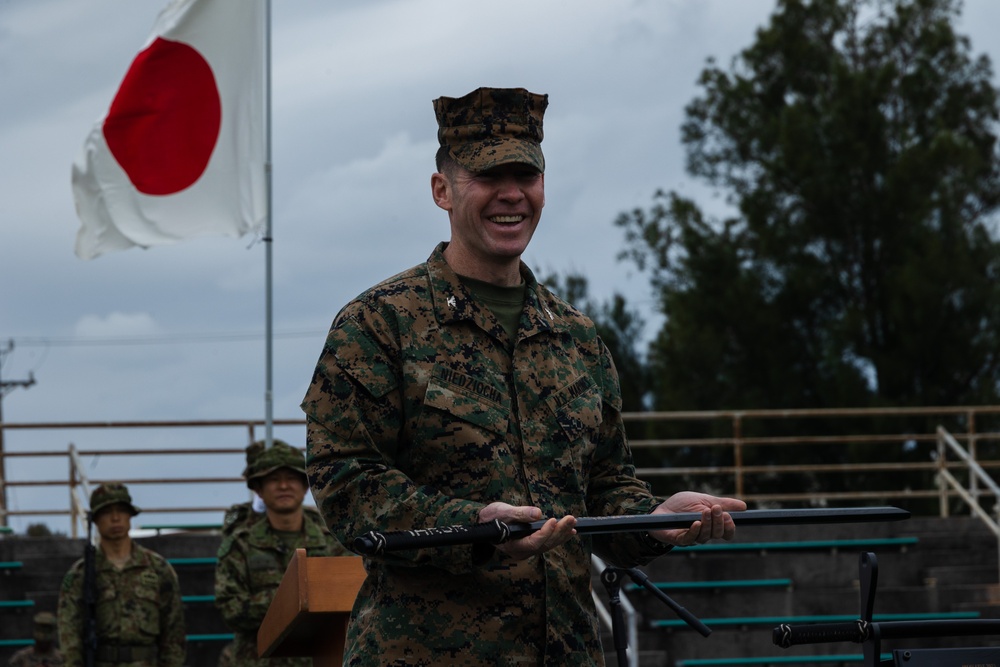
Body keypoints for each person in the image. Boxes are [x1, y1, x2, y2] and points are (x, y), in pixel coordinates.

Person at [301, 86, 748, 665]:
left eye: (526, 176)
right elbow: (345, 482)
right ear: (442, 190)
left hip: (563, 649)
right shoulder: (379, 325)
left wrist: (653, 521)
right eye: (488, 177)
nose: (511, 195)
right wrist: (474, 527)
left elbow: (604, 489)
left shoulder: (578, 339)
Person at [214, 440, 350, 667]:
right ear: (259, 490)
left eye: (292, 479)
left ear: (305, 488)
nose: (284, 486)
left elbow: (347, 597)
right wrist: (294, 601)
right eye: (274, 480)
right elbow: (231, 608)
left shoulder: (332, 543)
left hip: (317, 660)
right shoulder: (240, 546)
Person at [57, 483, 185, 667]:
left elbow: (174, 632)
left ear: (130, 516)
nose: (115, 518)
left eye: (121, 511)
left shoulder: (157, 569)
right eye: (107, 512)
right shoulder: (81, 575)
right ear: (95, 519)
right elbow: (69, 636)